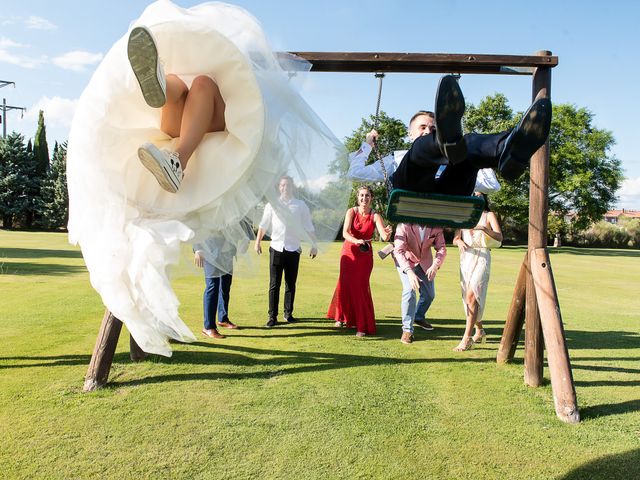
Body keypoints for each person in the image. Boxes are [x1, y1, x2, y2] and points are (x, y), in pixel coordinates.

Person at [66, 1, 348, 356]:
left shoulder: (244, 82)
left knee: (196, 84)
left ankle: (166, 103)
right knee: (190, 85)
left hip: (206, 130)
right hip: (187, 128)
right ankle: (163, 96)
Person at [348, 75, 552, 198]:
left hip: (450, 191)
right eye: (422, 127)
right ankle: (444, 144)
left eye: (434, 128)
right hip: (412, 188)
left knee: (469, 144)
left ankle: (507, 150)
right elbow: (354, 174)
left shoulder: (457, 149)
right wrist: (367, 146)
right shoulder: (396, 157)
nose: (428, 130)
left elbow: (492, 186)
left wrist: (481, 156)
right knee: (420, 150)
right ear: (409, 133)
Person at [327, 185, 392, 337]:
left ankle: (362, 325)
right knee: (344, 284)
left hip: (364, 256)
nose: (364, 198)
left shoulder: (375, 216)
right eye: (362, 195)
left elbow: (384, 237)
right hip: (349, 252)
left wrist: (388, 233)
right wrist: (356, 241)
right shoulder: (351, 211)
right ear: (358, 198)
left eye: (367, 195)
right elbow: (344, 232)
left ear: (372, 198)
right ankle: (341, 317)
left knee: (360, 287)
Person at [255, 176, 318, 328]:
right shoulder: (272, 204)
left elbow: (308, 226)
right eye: (283, 185)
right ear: (279, 187)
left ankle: (288, 314)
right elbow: (263, 225)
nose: (285, 188)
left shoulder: (300, 205)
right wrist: (257, 242)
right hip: (276, 248)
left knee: (290, 283)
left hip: (293, 249)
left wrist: (314, 244)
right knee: (274, 284)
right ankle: (272, 317)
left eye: (288, 185)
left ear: (292, 187)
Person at [452, 193, 503, 351]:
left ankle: (467, 339)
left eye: (480, 195)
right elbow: (455, 238)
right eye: (474, 195)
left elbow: (500, 237)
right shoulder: (463, 215)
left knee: (472, 295)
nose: (477, 197)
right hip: (466, 258)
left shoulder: (489, 215)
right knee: (468, 299)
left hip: (482, 257)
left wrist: (482, 228)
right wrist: (459, 241)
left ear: (485, 199)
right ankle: (479, 330)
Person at [393, 223, 446, 344]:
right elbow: (399, 251)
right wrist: (410, 272)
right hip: (405, 262)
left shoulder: (436, 226)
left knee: (429, 295)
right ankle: (407, 330)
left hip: (426, 263)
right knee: (409, 290)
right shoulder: (403, 225)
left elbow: (441, 248)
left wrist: (435, 265)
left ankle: (419, 316)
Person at [194, 235, 239, 340]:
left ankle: (223, 319)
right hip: (209, 250)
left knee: (226, 284)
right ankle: (208, 327)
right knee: (212, 286)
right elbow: (196, 223)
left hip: (227, 250)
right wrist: (197, 248)